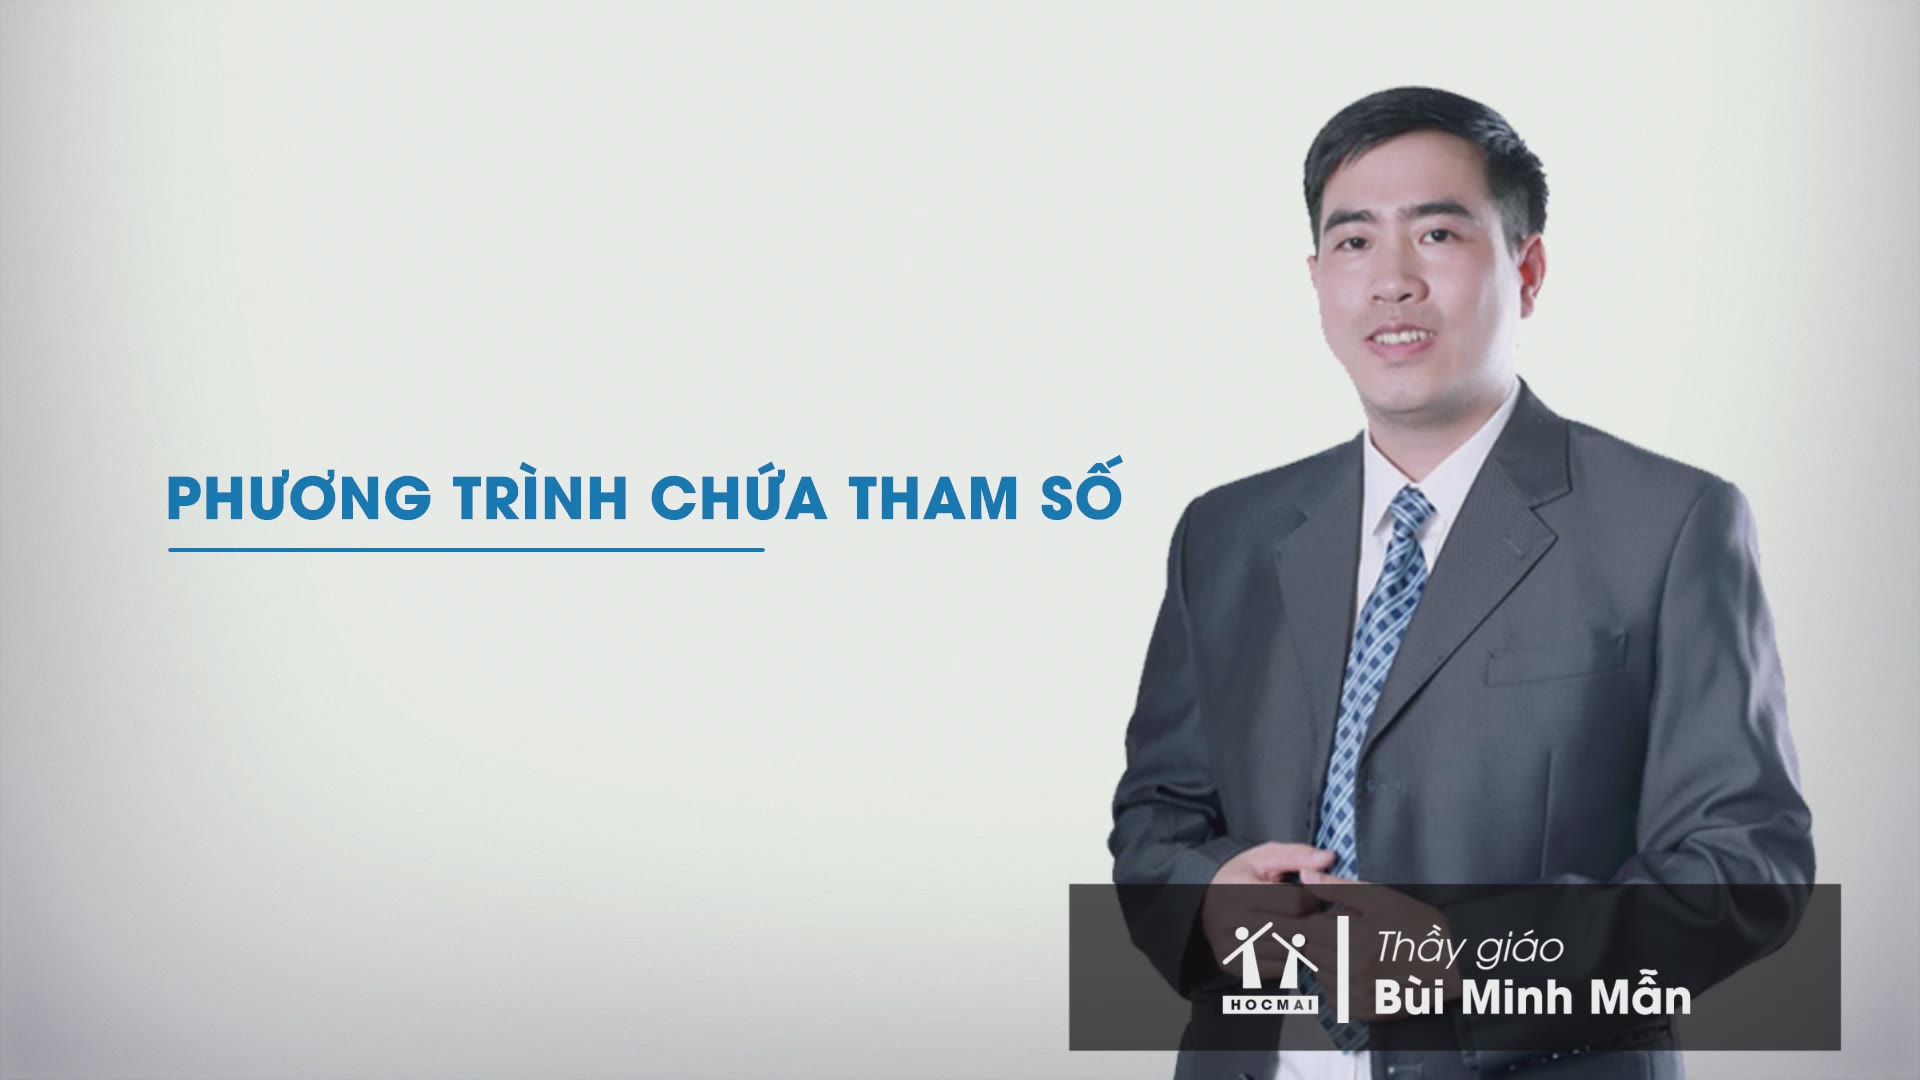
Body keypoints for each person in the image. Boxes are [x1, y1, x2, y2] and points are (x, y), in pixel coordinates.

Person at [1106, 86, 1814, 1080]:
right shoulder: (1226, 535)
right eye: (1354, 242)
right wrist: (1211, 896)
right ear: (1317, 279)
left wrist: (1456, 961)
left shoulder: (1669, 523)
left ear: (1526, 269)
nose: (1392, 281)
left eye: (1437, 234)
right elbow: (1156, 820)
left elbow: (1747, 871)